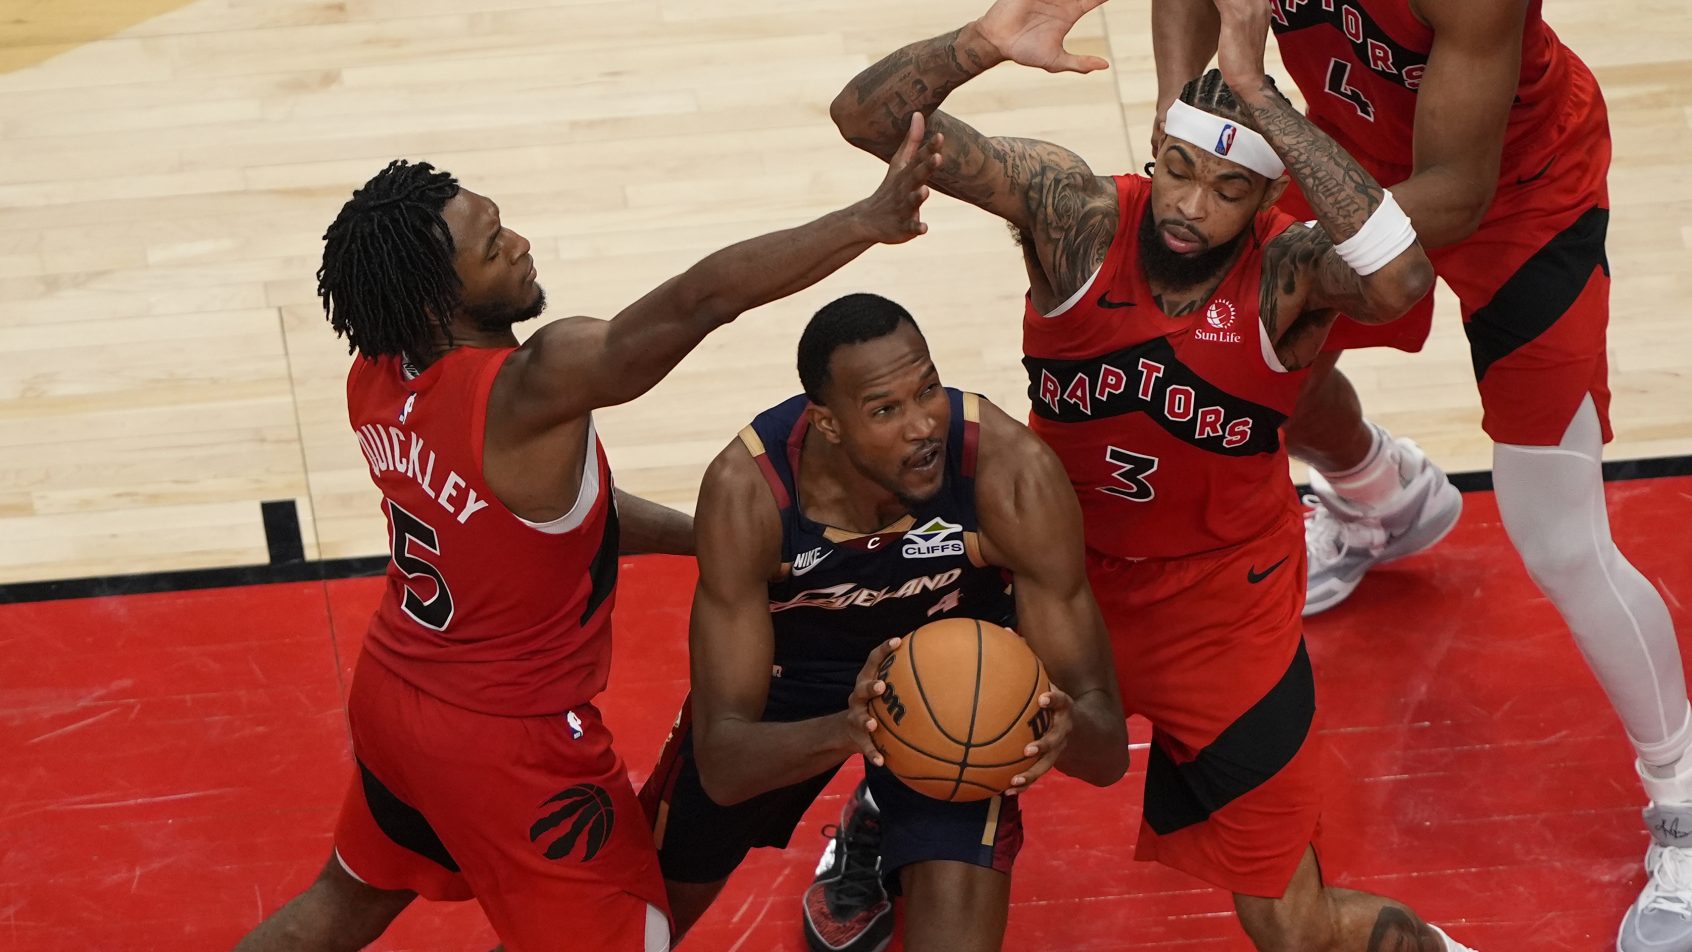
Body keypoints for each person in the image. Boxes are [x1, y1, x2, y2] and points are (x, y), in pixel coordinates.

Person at [823, 0, 1490, 949]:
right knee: (933, 705)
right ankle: (877, 814)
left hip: (1226, 615)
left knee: (1296, 931)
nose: (1189, 204)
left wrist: (1263, 94)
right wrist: (978, 45)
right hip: (1053, 578)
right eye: (1178, 170)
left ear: (1267, 205)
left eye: (1226, 189)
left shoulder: (1290, 272)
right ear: (1155, 152)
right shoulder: (1078, 218)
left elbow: (1402, 281)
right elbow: (868, 118)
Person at [232, 114, 942, 952]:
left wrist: (713, 546)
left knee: (339, 909)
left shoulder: (379, 373)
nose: (522, 243)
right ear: (434, 301)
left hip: (397, 696)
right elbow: (702, 299)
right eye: (494, 247)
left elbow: (553, 518)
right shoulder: (531, 384)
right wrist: (863, 221)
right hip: (507, 743)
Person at [1154, 0, 1692, 945]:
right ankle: (1377, 495)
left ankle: (1684, 800)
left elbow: (1458, 190)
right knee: (1242, 361)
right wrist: (1187, 128)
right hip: (1339, 156)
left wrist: (1274, 192)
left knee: (1559, 539)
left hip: (1518, 196)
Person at [637, 293, 1128, 952]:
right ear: (828, 425)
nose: (923, 425)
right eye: (885, 410)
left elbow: (1107, 753)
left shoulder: (1009, 474)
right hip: (791, 681)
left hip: (953, 692)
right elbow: (724, 761)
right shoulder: (749, 493)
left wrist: (1056, 729)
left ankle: (884, 812)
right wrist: (856, 726)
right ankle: (877, 809)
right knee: (626, 928)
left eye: (927, 390)